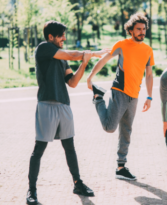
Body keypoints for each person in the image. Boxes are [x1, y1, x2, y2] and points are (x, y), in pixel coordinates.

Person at [26, 21, 109, 205]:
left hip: (64, 105)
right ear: (50, 37)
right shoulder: (44, 48)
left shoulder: (62, 57)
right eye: (61, 35)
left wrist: (85, 63)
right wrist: (93, 53)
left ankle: (77, 183)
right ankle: (31, 191)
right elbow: (73, 54)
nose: (64, 38)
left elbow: (71, 82)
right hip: (46, 103)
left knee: (69, 146)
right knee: (39, 149)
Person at [86, 13, 154, 181]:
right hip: (120, 91)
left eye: (144, 29)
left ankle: (121, 166)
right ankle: (98, 98)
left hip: (135, 95)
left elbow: (149, 75)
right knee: (110, 127)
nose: (142, 32)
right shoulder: (122, 45)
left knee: (127, 131)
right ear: (130, 30)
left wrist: (150, 96)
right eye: (138, 29)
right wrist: (90, 77)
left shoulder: (148, 50)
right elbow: (104, 59)